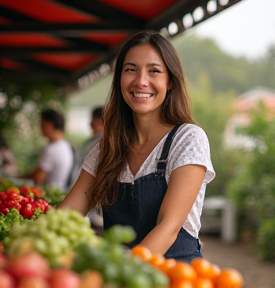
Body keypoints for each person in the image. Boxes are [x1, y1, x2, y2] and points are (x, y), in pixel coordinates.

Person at [59, 30, 215, 263]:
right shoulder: (107, 148)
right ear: (119, 78)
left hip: (174, 275)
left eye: (154, 71)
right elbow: (66, 216)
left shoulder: (188, 139)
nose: (141, 81)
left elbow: (169, 227)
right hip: (118, 272)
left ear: (170, 80)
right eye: (130, 69)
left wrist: (124, 274)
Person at [22, 108, 74, 192]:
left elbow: (38, 178)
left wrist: (16, 178)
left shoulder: (51, 149)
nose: (40, 127)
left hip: (47, 195)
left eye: (42, 124)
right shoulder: (66, 146)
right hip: (59, 193)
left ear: (49, 125)